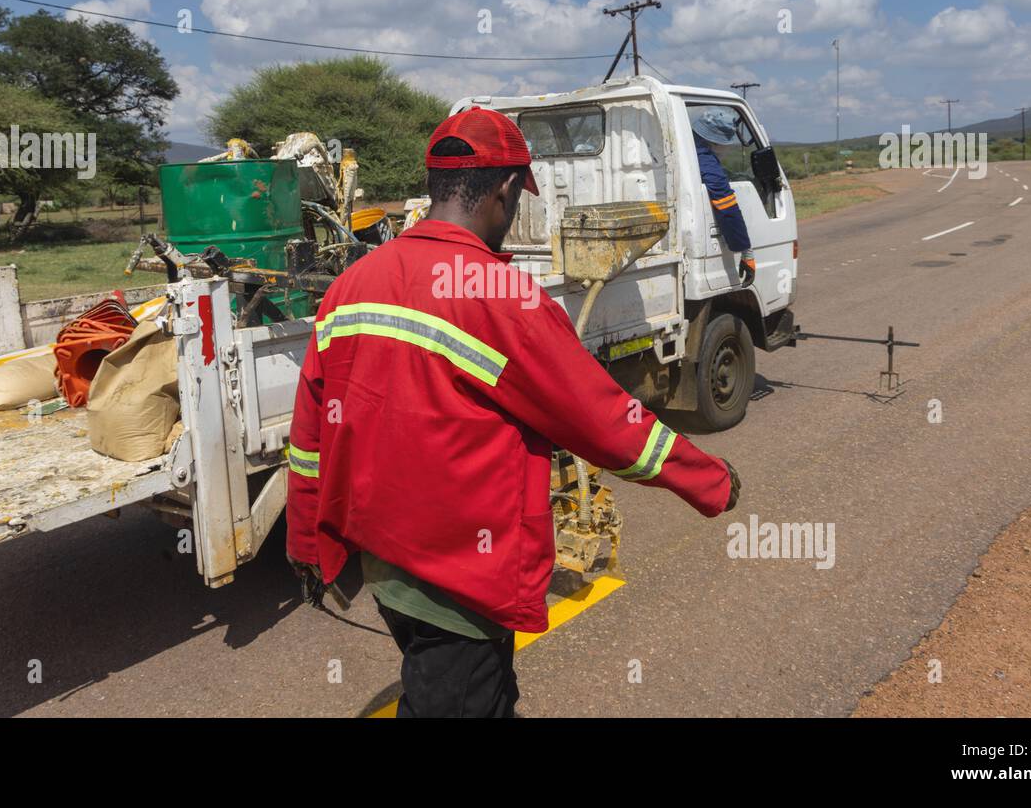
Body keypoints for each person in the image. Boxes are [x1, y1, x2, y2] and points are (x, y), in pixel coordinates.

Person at [285, 106, 741, 717]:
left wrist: (308, 542)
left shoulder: (354, 282)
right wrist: (710, 481)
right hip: (459, 583)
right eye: (517, 199)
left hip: (383, 565)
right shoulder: (499, 296)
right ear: (503, 190)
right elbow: (603, 421)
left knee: (484, 694)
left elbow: (310, 434)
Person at [693, 109, 757, 286]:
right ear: (715, 141)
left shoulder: (682, 143)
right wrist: (746, 252)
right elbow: (728, 210)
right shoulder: (705, 162)